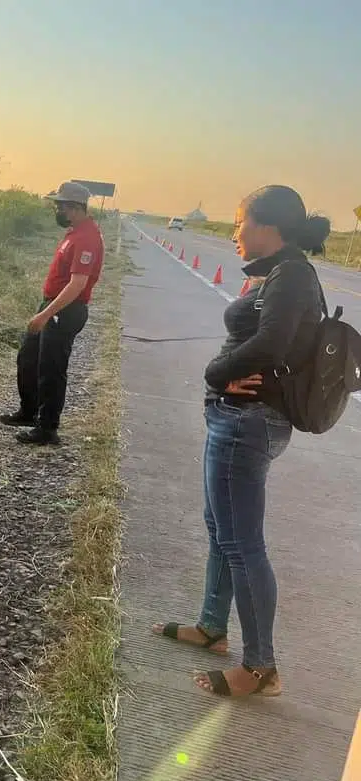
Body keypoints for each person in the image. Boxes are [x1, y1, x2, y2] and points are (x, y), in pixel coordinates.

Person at [151, 184, 331, 698]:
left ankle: (261, 668)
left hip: (249, 422)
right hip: (236, 417)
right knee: (221, 528)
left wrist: (215, 372)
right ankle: (212, 627)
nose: (233, 233)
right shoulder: (276, 273)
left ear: (268, 227)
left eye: (238, 223)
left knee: (242, 542)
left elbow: (272, 342)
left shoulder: (292, 275)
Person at [0, 181, 104, 446]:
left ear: (75, 207)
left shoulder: (87, 238)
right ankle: (28, 411)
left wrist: (46, 314)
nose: (56, 211)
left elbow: (77, 284)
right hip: (53, 305)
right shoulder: (74, 232)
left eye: (60, 206)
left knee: (51, 369)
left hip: (65, 311)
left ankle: (47, 429)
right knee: (28, 358)